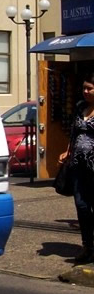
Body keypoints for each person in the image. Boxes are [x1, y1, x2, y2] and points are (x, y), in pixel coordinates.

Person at [59, 73, 94, 264]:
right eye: (84, 88)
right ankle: (87, 246)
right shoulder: (81, 108)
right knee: (82, 206)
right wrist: (67, 151)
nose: (86, 92)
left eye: (90, 88)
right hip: (78, 165)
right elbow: (74, 133)